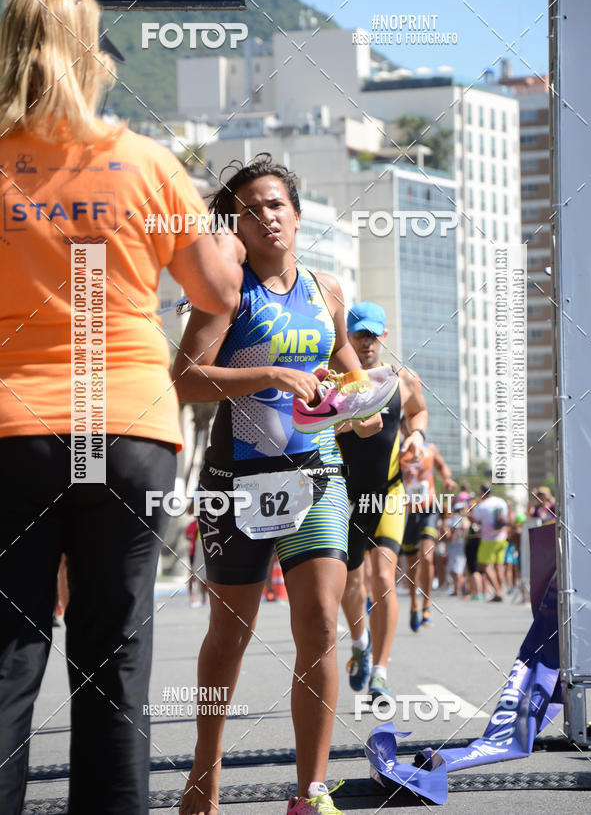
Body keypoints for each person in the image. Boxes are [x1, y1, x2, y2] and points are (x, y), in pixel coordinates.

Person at [0, 0, 243, 815]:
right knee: (115, 667)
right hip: (129, 425)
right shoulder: (145, 161)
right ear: (95, 56)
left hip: (12, 429)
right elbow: (218, 287)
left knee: (7, 656)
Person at [172, 155, 383, 815]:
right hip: (238, 475)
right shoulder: (225, 291)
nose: (266, 215)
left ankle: (308, 790)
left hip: (315, 473)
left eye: (276, 203)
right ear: (233, 223)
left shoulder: (327, 290)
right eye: (250, 207)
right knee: (230, 632)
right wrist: (265, 376)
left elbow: (350, 375)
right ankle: (205, 773)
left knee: (319, 620)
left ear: (296, 213)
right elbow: (183, 377)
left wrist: (363, 405)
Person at [336, 302, 428, 704]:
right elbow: (311, 425)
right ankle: (360, 642)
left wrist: (417, 437)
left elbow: (419, 412)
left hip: (388, 493)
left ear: (384, 337)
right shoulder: (333, 380)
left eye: (372, 335)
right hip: (345, 496)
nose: (366, 342)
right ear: (348, 336)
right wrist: (349, 422)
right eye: (359, 334)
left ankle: (380, 672)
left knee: (384, 579)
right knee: (351, 584)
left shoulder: (401, 378)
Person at [400, 420, 456, 631]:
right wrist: (403, 476)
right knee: (412, 563)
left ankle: (426, 605)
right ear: (402, 429)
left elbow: (442, 467)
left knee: (427, 555)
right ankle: (414, 601)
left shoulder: (430, 449)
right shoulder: (397, 452)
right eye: (406, 426)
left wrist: (448, 479)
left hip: (428, 509)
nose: (410, 429)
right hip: (406, 512)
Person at [471, 484, 511, 602]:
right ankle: (500, 591)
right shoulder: (501, 501)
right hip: (502, 537)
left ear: (483, 492)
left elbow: (475, 519)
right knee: (499, 566)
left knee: (484, 564)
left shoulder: (482, 506)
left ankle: (498, 591)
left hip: (489, 539)